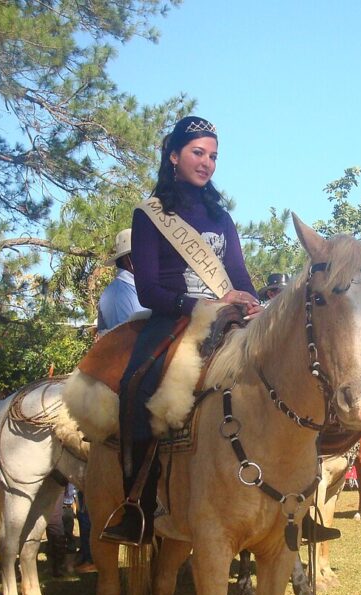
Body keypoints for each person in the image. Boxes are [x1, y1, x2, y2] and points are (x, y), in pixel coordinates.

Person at [102, 115, 261, 545]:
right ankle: (137, 502)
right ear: (174, 156)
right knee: (138, 384)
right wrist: (202, 306)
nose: (207, 162)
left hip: (227, 319)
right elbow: (150, 289)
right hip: (173, 318)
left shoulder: (220, 216)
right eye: (198, 153)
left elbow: (239, 276)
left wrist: (249, 300)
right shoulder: (150, 215)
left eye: (213, 156)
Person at [97, 228, 145, 334]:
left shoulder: (136, 288)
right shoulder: (117, 295)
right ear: (127, 260)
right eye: (141, 255)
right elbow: (126, 340)